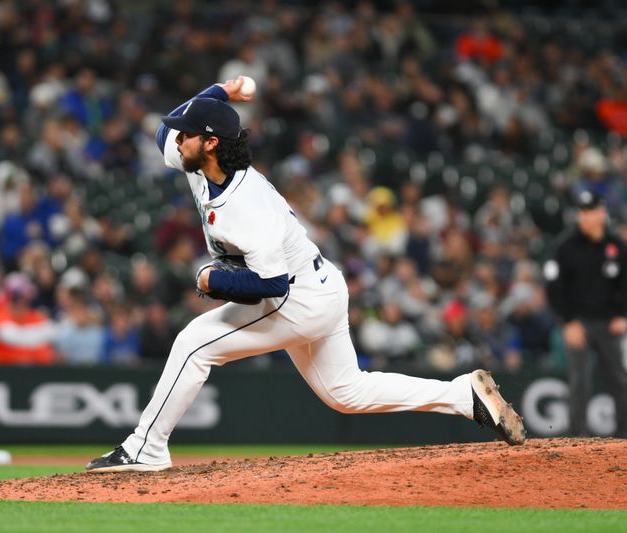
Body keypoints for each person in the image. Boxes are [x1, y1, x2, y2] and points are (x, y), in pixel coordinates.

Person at [85, 78, 526, 473]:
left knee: (194, 345)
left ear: (212, 143)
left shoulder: (245, 207)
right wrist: (222, 89)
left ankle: (146, 448)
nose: (177, 140)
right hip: (322, 285)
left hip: (295, 298)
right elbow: (165, 130)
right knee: (346, 393)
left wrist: (211, 282)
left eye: (188, 135)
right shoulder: (199, 162)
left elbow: (271, 285)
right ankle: (463, 396)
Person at [544, 190, 627, 438]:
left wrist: (622, 314)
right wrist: (568, 322)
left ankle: (624, 435)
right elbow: (554, 287)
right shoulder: (565, 246)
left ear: (602, 213)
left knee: (619, 381)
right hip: (578, 323)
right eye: (582, 212)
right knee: (580, 382)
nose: (585, 217)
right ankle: (577, 438)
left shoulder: (616, 246)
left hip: (608, 323)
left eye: (590, 211)